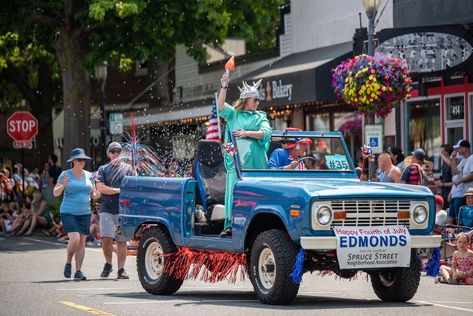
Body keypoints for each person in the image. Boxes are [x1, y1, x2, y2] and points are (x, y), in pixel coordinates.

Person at [217, 73, 272, 237]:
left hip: (257, 165)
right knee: (235, 193)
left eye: (258, 100)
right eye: (255, 100)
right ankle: (230, 225)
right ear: (246, 100)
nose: (257, 103)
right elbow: (220, 106)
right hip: (237, 164)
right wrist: (224, 86)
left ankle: (258, 224)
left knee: (258, 196)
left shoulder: (260, 116)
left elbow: (266, 133)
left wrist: (246, 133)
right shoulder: (234, 114)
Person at [53, 148, 100, 281]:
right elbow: (55, 193)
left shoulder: (89, 175)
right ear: (73, 161)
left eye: (83, 160)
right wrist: (63, 185)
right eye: (79, 159)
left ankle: (78, 271)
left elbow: (93, 192)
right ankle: (68, 262)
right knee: (75, 239)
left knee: (82, 243)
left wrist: (96, 194)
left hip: (84, 212)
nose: (82, 162)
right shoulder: (65, 175)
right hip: (68, 211)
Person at [96, 142, 133, 279]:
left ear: (122, 153)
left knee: (121, 240)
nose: (116, 154)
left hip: (122, 209)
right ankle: (108, 264)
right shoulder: (103, 169)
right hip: (106, 209)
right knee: (106, 238)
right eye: (113, 151)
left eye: (118, 151)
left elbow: (132, 187)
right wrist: (118, 190)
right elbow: (100, 187)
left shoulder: (129, 169)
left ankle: (121, 269)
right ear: (108, 153)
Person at [451, 140, 473, 217]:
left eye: (459, 148)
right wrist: (453, 158)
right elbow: (454, 172)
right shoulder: (463, 160)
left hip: (471, 194)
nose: (457, 150)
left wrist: (460, 181)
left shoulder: (472, 158)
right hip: (465, 194)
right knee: (463, 217)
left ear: (465, 148)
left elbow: (472, 175)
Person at [436, 144, 454, 210]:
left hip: (450, 192)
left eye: (442, 151)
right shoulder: (444, 163)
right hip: (444, 192)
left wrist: (442, 184)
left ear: (447, 152)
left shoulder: (452, 161)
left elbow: (451, 164)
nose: (441, 153)